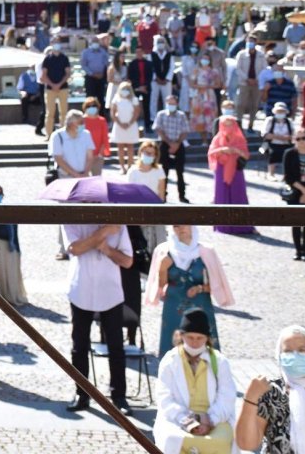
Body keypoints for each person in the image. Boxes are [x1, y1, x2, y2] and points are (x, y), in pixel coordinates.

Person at [62, 222, 134, 414]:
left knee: (116, 346)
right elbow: (75, 248)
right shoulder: (71, 218)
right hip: (81, 289)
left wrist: (107, 249)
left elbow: (127, 261)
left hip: (109, 290)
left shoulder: (118, 224)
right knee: (79, 345)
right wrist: (103, 233)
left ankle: (119, 395)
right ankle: (81, 392)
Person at [236, 325, 305, 454]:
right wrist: (250, 398)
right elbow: (247, 444)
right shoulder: (270, 392)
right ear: (280, 356)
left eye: (302, 350)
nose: (295, 356)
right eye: (288, 351)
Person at [152, 308, 238, 454]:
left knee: (221, 442)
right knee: (173, 439)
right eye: (190, 337)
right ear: (181, 336)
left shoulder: (219, 361)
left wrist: (210, 419)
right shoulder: (170, 360)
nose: (194, 343)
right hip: (178, 419)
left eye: (200, 338)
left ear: (208, 339)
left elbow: (227, 397)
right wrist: (186, 420)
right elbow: (164, 397)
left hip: (214, 418)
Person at [146, 225, 235, 356]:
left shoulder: (206, 251)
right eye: (176, 226)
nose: (180, 228)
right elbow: (160, 286)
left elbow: (216, 285)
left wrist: (199, 288)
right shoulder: (164, 250)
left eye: (184, 224)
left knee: (204, 350)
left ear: (192, 227)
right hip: (173, 307)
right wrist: (162, 269)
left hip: (200, 306)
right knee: (173, 351)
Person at [209, 115, 254, 235]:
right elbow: (211, 153)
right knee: (221, 195)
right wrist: (222, 150)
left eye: (230, 124)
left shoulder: (240, 138)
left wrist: (235, 150)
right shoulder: (217, 138)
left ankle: (241, 226)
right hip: (221, 169)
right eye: (225, 124)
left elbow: (246, 155)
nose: (228, 127)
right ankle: (223, 226)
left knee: (238, 195)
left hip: (236, 169)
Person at [0, 185, 27, 305]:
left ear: (2, 196)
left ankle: (8, 297)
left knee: (8, 276)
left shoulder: (10, 211)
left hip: (7, 247)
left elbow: (14, 232)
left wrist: (17, 251)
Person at [282, 129, 305, 261]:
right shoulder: (289, 154)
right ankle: (298, 251)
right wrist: (303, 190)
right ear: (294, 140)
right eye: (298, 139)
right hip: (295, 192)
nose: (301, 141)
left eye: (303, 138)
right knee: (296, 223)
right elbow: (288, 176)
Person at [128, 141, 168, 251]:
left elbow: (161, 195)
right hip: (138, 211)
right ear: (141, 152)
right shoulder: (133, 172)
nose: (148, 155)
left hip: (155, 210)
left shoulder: (159, 170)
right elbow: (130, 195)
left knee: (160, 243)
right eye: (146, 152)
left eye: (151, 153)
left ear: (155, 156)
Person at [155, 94, 190, 202]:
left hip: (179, 144)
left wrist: (177, 143)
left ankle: (182, 195)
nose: (171, 105)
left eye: (173, 103)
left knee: (180, 171)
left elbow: (185, 131)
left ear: (177, 104)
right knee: (163, 171)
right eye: (169, 103)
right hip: (165, 144)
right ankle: (163, 195)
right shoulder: (161, 114)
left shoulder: (182, 115)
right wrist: (169, 143)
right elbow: (158, 129)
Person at [233, 35, 267, 129]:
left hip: (256, 83)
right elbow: (238, 68)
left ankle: (251, 124)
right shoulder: (241, 54)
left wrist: (257, 79)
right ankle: (239, 122)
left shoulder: (261, 55)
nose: (250, 43)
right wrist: (247, 78)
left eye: (252, 41)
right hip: (244, 83)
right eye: (248, 41)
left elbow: (264, 68)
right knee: (241, 104)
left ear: (255, 43)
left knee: (254, 104)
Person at [50, 110, 96, 180]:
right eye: (80, 122)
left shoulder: (86, 134)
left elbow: (90, 157)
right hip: (64, 176)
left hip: (84, 176)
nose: (83, 125)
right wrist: (75, 174)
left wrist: (85, 173)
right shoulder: (57, 136)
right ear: (71, 124)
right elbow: (58, 158)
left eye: (83, 122)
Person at [109, 80, 141, 173]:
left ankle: (130, 166)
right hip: (119, 125)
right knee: (120, 147)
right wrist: (119, 123)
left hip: (131, 125)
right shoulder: (116, 98)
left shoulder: (134, 99)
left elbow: (137, 112)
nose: (125, 91)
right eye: (123, 89)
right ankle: (122, 167)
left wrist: (130, 123)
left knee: (130, 147)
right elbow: (113, 112)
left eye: (127, 89)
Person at [262, 101, 295, 180]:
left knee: (290, 153)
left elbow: (293, 135)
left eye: (282, 111)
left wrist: (286, 137)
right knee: (273, 152)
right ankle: (271, 173)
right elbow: (265, 135)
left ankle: (287, 175)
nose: (280, 113)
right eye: (278, 111)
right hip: (272, 143)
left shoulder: (289, 122)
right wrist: (280, 137)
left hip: (286, 144)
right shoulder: (270, 120)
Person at [128, 48, 154, 133]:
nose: (139, 53)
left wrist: (144, 86)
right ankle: (133, 126)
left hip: (146, 88)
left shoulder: (149, 63)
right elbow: (130, 77)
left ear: (143, 52)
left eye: (140, 52)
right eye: (137, 52)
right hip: (136, 88)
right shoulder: (131, 64)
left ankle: (147, 126)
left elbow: (150, 77)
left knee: (147, 108)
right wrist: (139, 87)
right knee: (133, 108)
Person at [81, 97, 109, 175]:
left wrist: (99, 154)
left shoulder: (102, 120)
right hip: (83, 156)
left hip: (98, 156)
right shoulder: (81, 121)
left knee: (97, 179)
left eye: (94, 106)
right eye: (89, 106)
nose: (91, 108)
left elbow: (105, 138)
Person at [81, 36, 110, 110]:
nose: (95, 43)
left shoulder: (103, 52)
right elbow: (84, 65)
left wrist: (102, 73)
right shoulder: (86, 52)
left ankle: (102, 116)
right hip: (90, 78)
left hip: (101, 78)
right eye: (94, 42)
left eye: (97, 42)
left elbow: (106, 63)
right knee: (90, 98)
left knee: (101, 98)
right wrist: (92, 73)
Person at [151, 35, 175, 119]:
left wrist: (167, 79)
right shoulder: (152, 54)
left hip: (166, 81)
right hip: (155, 81)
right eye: (159, 42)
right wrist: (156, 78)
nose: (160, 44)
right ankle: (153, 118)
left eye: (162, 42)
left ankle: (167, 117)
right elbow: (151, 67)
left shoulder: (169, 55)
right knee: (154, 99)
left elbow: (172, 67)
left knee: (167, 98)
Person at [16, 61, 44, 133]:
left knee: (43, 101)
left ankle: (42, 119)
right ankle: (25, 118)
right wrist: (23, 93)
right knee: (24, 100)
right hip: (27, 94)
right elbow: (20, 88)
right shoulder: (24, 76)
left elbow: (41, 88)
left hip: (37, 95)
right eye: (32, 67)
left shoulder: (39, 76)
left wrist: (36, 95)